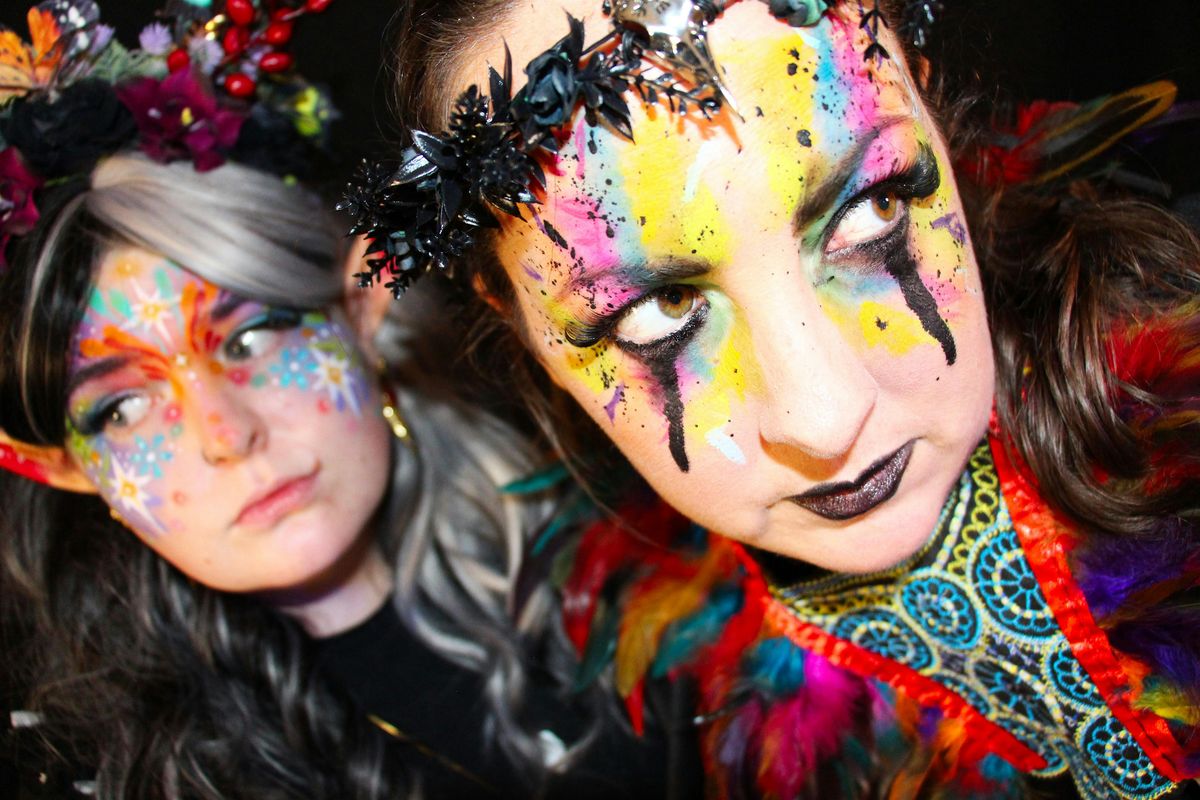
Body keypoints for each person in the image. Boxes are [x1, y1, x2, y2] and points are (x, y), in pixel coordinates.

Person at [344, 0, 1200, 797]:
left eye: (870, 207)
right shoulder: (685, 710)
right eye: (658, 311)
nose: (825, 419)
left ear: (929, 105)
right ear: (523, 327)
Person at [0, 2, 689, 798]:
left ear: (361, 308)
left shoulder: (641, 571)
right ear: (60, 466)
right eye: (122, 408)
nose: (225, 434)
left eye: (251, 337)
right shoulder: (107, 774)